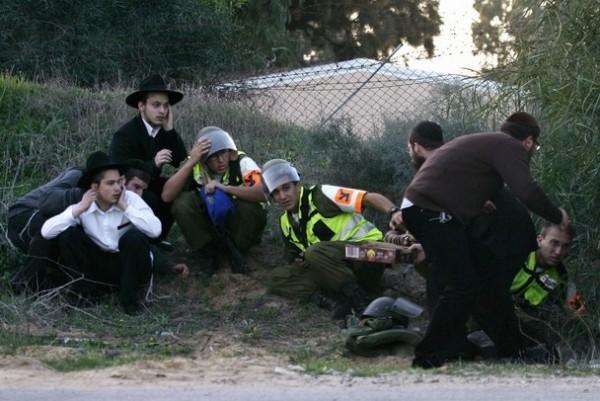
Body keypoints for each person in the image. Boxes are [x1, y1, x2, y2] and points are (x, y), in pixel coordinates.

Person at [391, 112, 571, 368]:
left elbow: (453, 175)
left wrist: (475, 200)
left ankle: (514, 350)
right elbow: (526, 191)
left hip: (433, 209)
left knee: (487, 276)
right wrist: (557, 216)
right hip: (428, 210)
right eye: (535, 147)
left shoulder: (489, 143)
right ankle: (429, 354)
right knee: (461, 285)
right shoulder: (509, 146)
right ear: (529, 141)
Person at [262, 159, 398, 318]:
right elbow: (293, 258)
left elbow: (368, 198)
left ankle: (360, 302)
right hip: (336, 269)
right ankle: (332, 300)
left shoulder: (322, 195)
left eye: (286, 188)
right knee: (278, 277)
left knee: (314, 252)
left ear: (297, 185)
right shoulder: (285, 223)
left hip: (369, 256)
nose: (283, 196)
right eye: (276, 192)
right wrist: (299, 260)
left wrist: (394, 212)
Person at [41, 151, 161, 314]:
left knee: (134, 237)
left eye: (119, 182)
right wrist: (78, 209)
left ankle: (129, 301)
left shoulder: (130, 199)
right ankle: (87, 294)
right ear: (95, 187)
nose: (117, 188)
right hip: (100, 266)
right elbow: (46, 232)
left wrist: (125, 207)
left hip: (132, 267)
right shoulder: (85, 204)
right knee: (68, 235)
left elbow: (155, 231)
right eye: (110, 183)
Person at [162, 126, 266, 275]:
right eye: (213, 156)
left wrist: (226, 188)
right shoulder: (195, 163)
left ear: (230, 151)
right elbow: (167, 195)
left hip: (239, 224)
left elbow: (264, 193)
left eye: (223, 153)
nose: (220, 160)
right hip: (209, 225)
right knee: (182, 203)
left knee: (249, 207)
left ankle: (237, 249)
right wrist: (190, 163)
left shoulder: (242, 162)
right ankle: (208, 252)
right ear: (204, 158)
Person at [109, 74, 187, 242]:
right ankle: (142, 243)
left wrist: (170, 131)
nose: (162, 111)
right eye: (156, 105)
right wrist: (153, 164)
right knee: (150, 198)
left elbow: (181, 160)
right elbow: (119, 168)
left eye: (165, 106)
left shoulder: (164, 132)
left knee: (176, 191)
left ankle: (158, 241)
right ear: (141, 106)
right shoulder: (125, 134)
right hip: (127, 188)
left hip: (151, 184)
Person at [511, 222, 584, 359]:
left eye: (565, 246)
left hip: (528, 322)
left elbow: (574, 302)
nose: (558, 252)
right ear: (540, 240)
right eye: (554, 243)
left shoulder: (561, 274)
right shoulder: (517, 256)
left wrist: (577, 309)